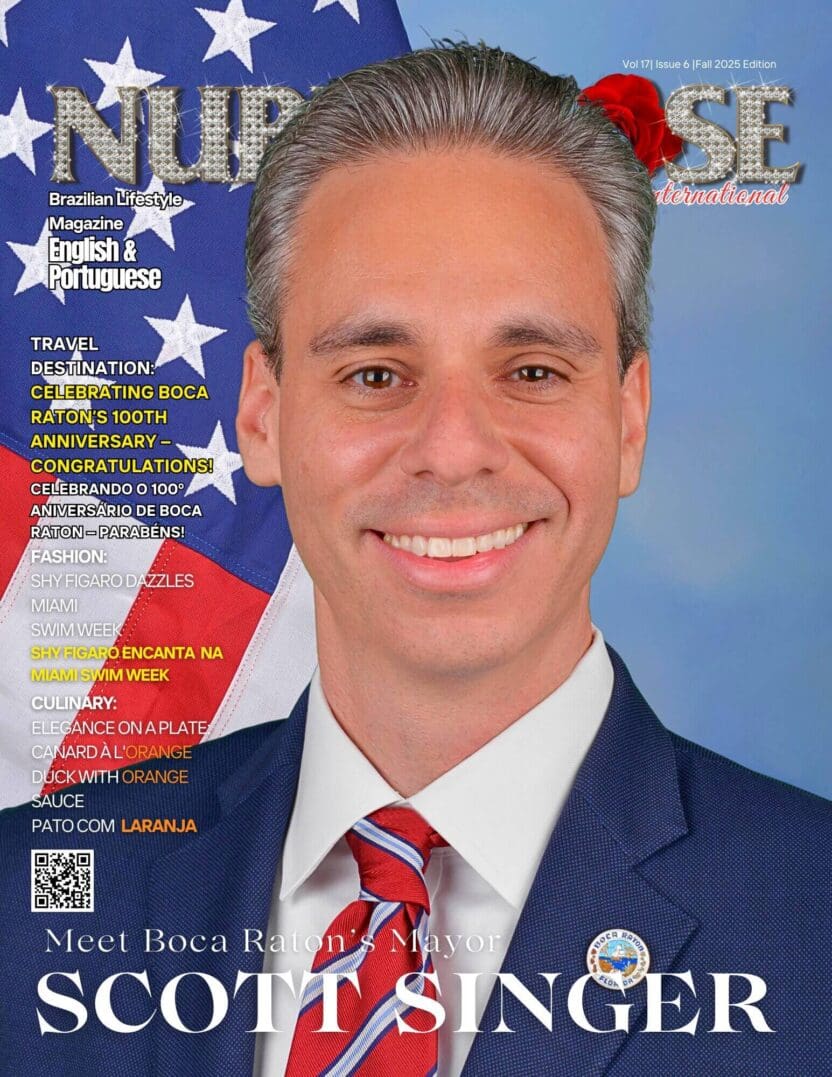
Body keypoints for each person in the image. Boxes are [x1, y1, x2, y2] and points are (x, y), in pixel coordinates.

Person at [1, 42, 830, 1077]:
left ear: (627, 420)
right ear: (262, 415)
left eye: (531, 369)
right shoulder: (24, 910)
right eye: (375, 372)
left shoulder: (815, 926)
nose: (451, 449)